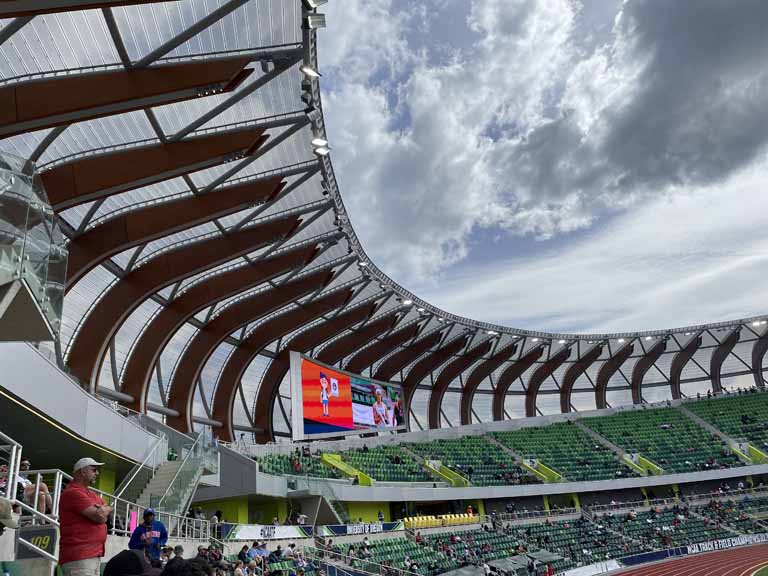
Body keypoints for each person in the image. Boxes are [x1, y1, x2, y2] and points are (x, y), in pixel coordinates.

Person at [59, 457, 112, 576]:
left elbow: (108, 509)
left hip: (89, 556)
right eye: (94, 470)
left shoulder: (89, 493)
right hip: (79, 557)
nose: (97, 473)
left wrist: (106, 509)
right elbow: (100, 516)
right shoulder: (73, 492)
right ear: (83, 471)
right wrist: (103, 511)